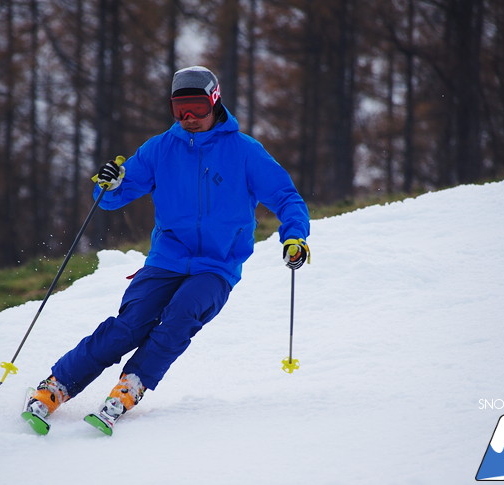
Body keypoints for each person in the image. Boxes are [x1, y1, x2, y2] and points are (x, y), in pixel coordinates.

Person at [24, 66, 310, 434]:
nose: (188, 118)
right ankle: (55, 387)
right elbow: (111, 199)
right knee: (128, 327)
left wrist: (295, 236)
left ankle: (129, 387)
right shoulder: (160, 149)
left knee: (180, 316)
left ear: (215, 102)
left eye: (197, 108)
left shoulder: (244, 152)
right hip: (166, 259)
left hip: (216, 266)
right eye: (179, 110)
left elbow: (286, 197)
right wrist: (109, 184)